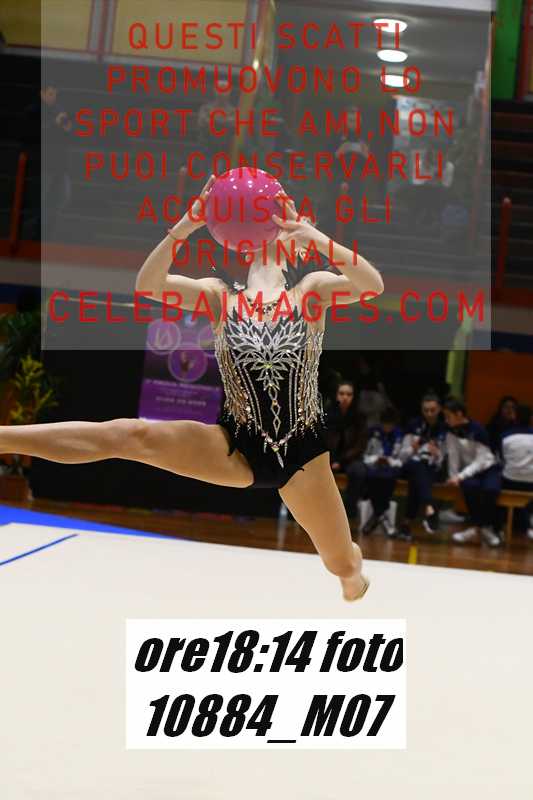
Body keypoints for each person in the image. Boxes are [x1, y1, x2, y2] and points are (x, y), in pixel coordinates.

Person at [0, 177, 385, 602]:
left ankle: (351, 573)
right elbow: (149, 286)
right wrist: (186, 225)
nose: (281, 227)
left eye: (293, 226)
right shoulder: (220, 297)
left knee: (341, 564)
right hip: (236, 445)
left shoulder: (310, 291)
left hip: (303, 455)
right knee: (131, 434)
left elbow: (372, 285)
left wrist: (316, 236)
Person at [443, 398, 502, 547]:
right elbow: (453, 455)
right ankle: (483, 529)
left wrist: (461, 476)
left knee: (491, 489)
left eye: (448, 416)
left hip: (488, 468)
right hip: (470, 471)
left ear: (459, 414)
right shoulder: (450, 432)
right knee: (469, 487)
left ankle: (478, 528)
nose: (446, 420)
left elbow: (481, 460)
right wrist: (453, 477)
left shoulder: (478, 429)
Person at [23, 84, 73, 239]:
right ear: (42, 94)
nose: (53, 97)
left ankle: (48, 231)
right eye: (50, 94)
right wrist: (54, 124)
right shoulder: (34, 111)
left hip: (60, 165)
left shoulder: (58, 110)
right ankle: (34, 232)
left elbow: (68, 135)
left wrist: (67, 128)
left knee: (63, 197)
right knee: (41, 199)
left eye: (55, 94)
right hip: (44, 165)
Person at [396, 392, 447, 541]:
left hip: (432, 469)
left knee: (418, 478)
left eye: (433, 410)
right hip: (410, 465)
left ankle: (406, 523)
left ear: (439, 409)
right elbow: (401, 457)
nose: (429, 414)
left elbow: (445, 458)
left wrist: (437, 453)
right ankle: (429, 507)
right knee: (417, 467)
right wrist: (413, 448)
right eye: (426, 410)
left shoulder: (444, 428)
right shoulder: (413, 425)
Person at [326, 381, 368, 517]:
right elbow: (322, 441)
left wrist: (341, 461)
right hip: (328, 458)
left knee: (359, 471)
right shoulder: (327, 414)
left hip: (350, 459)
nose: (345, 397)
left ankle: (349, 510)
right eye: (342, 393)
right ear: (336, 395)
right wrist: (332, 460)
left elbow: (360, 445)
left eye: (349, 394)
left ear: (353, 397)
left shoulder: (360, 416)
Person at [361, 406, 403, 536]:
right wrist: (375, 459)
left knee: (388, 478)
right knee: (371, 476)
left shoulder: (399, 434)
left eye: (389, 425)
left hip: (392, 467)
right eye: (385, 424)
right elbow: (367, 454)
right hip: (375, 466)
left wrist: (389, 461)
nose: (387, 428)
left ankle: (376, 515)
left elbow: (401, 457)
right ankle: (382, 516)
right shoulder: (374, 432)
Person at [498, 404, 533, 540]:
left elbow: (501, 460)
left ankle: (499, 526)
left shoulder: (504, 436)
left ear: (514, 417)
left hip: (510, 481)